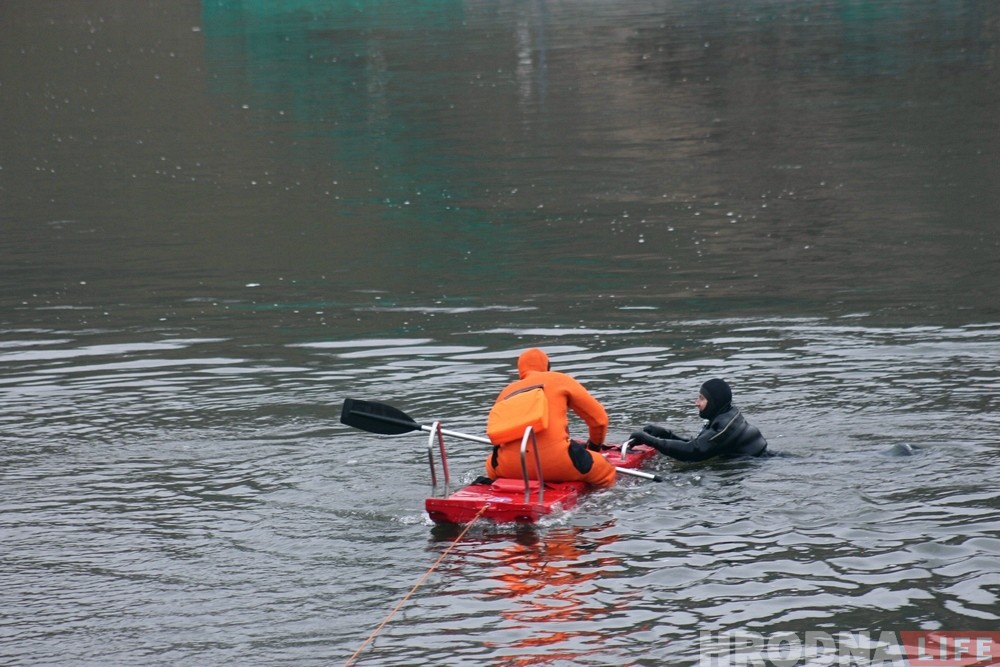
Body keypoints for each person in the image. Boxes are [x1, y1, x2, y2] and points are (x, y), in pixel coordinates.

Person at [484, 348, 617, 487]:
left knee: (490, 463)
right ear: (547, 368)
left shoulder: (505, 392)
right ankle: (601, 504)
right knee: (606, 470)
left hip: (508, 468)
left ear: (520, 371)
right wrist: (594, 449)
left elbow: (497, 438)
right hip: (558, 463)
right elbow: (600, 421)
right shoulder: (559, 379)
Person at [629, 378, 768, 461]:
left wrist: (651, 441)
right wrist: (665, 434)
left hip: (758, 465)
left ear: (714, 402)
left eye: (701, 398)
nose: (696, 403)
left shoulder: (725, 427)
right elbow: (697, 445)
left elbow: (695, 452)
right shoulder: (724, 416)